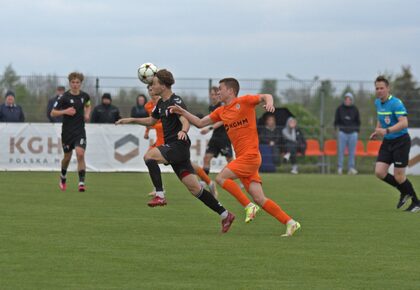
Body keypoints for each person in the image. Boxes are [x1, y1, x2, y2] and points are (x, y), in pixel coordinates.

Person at [170, 77, 301, 237]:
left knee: (221, 178)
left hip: (251, 156)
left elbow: (266, 95)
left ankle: (248, 206)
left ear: (231, 91)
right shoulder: (221, 111)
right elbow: (199, 122)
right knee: (260, 198)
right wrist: (182, 111)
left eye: (221, 89)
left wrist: (270, 103)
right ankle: (290, 222)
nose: (218, 92)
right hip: (245, 159)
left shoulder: (245, 101)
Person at [116, 69, 235, 233]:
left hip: (178, 146)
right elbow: (152, 120)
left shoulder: (175, 101)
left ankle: (160, 195)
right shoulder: (160, 103)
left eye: (155, 83)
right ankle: (225, 214)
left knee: (149, 156)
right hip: (175, 150)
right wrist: (131, 120)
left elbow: (185, 120)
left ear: (163, 85)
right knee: (195, 189)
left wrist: (184, 131)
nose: (152, 86)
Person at [370, 75, 420, 212]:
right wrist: (377, 130)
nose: (379, 91)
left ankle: (416, 202)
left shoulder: (396, 103)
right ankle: (404, 191)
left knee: (399, 176)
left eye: (382, 88)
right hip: (388, 141)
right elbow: (380, 117)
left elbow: (404, 123)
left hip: (401, 141)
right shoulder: (378, 103)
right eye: (377, 88)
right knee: (379, 172)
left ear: (388, 89)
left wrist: (386, 131)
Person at [50, 72, 91, 192]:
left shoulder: (85, 96)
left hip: (80, 131)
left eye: (77, 82)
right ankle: (63, 176)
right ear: (69, 83)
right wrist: (65, 111)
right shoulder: (63, 97)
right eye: (73, 82)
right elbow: (53, 112)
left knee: (80, 153)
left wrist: (87, 114)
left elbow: (88, 105)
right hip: (67, 132)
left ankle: (81, 182)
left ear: (81, 83)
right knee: (67, 157)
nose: (75, 84)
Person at [334, 92, 361, 175]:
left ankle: (351, 168)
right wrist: (337, 129)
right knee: (341, 151)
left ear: (352, 100)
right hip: (342, 132)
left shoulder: (355, 109)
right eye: (346, 99)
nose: (347, 100)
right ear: (344, 99)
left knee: (352, 152)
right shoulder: (339, 108)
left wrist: (356, 131)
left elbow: (358, 121)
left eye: (349, 99)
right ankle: (340, 168)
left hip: (353, 133)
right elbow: (336, 120)